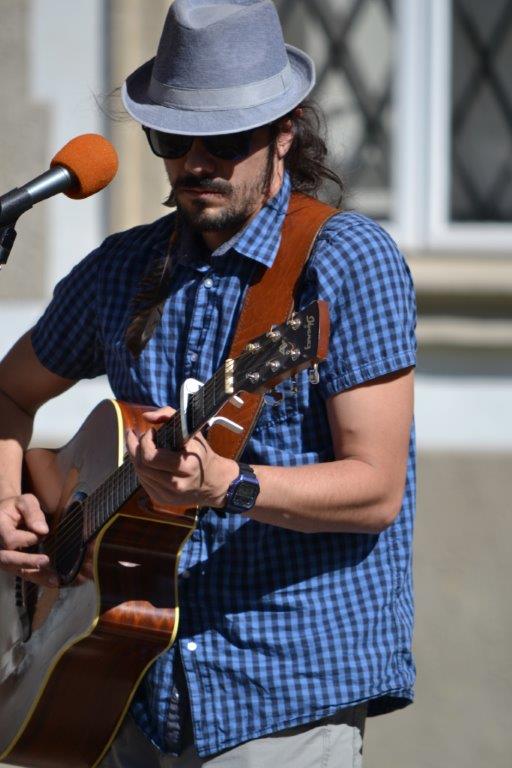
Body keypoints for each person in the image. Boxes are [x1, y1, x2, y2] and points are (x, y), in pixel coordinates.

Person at [0, 1, 416, 766]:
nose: (195, 163)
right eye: (172, 139)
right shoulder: (121, 269)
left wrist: (231, 485)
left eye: (224, 141)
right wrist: (7, 503)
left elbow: (377, 489)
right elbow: (9, 392)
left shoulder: (345, 260)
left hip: (279, 696)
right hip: (118, 691)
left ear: (285, 131)